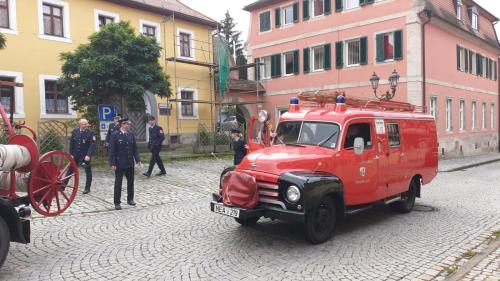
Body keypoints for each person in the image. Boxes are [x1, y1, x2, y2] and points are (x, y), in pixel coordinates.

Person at [108, 118, 141, 210]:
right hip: (119, 163)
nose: (128, 126)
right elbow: (111, 150)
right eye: (126, 124)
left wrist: (137, 159)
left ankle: (130, 199)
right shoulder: (115, 135)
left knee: (131, 182)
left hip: (130, 162)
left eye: (128, 124)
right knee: (118, 183)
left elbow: (134, 148)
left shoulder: (130, 134)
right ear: (121, 125)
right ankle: (117, 202)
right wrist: (112, 163)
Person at [69, 119, 95, 194]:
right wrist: (71, 153)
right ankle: (63, 185)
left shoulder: (90, 133)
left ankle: (87, 188)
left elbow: (92, 145)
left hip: (85, 156)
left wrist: (88, 155)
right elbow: (72, 143)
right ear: (80, 124)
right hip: (75, 155)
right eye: (84, 124)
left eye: (87, 124)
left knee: (88, 171)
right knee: (70, 170)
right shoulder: (75, 131)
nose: (86, 125)